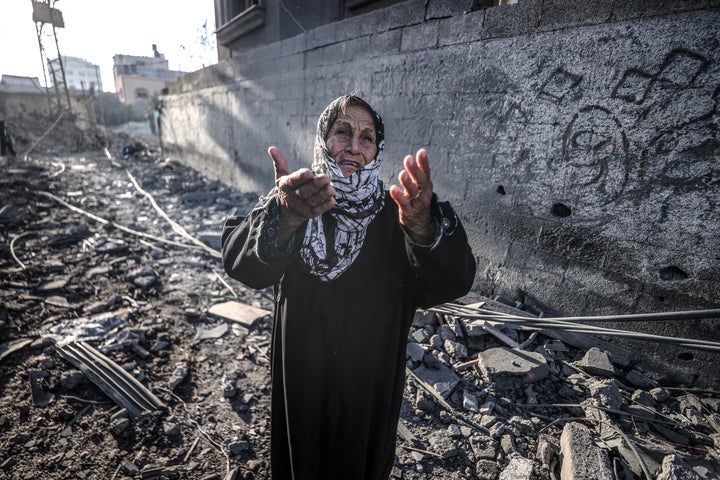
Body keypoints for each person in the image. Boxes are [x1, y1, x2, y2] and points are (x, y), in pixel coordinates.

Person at [222, 94, 475, 479]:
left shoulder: (399, 216)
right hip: (301, 382)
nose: (354, 148)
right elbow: (242, 265)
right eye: (343, 132)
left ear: (377, 150)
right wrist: (285, 218)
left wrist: (425, 229)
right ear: (324, 140)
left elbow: (452, 281)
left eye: (367, 138)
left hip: (367, 391)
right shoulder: (297, 199)